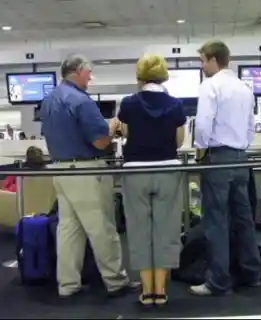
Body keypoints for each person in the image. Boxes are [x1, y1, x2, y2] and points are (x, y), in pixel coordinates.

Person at [39, 54, 133, 299]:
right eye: (89, 72)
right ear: (79, 70)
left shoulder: (48, 101)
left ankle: (68, 284)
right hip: (86, 171)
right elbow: (100, 141)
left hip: (60, 169)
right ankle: (115, 280)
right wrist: (112, 126)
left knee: (69, 230)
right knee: (102, 227)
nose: (91, 77)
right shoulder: (81, 101)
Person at [190, 40, 261, 296]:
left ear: (212, 59)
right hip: (241, 157)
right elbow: (251, 126)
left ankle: (218, 280)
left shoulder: (210, 85)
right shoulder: (244, 88)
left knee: (216, 220)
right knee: (244, 218)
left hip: (218, 158)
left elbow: (203, 123)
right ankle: (252, 273)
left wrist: (200, 148)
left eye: (202, 61)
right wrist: (241, 146)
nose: (201, 66)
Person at [117, 53, 185, 306]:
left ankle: (147, 291)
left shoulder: (128, 103)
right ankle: (161, 289)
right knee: (166, 230)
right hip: (168, 169)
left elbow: (125, 133)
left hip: (135, 171)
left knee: (139, 230)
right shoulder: (176, 104)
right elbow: (179, 141)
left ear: (140, 75)